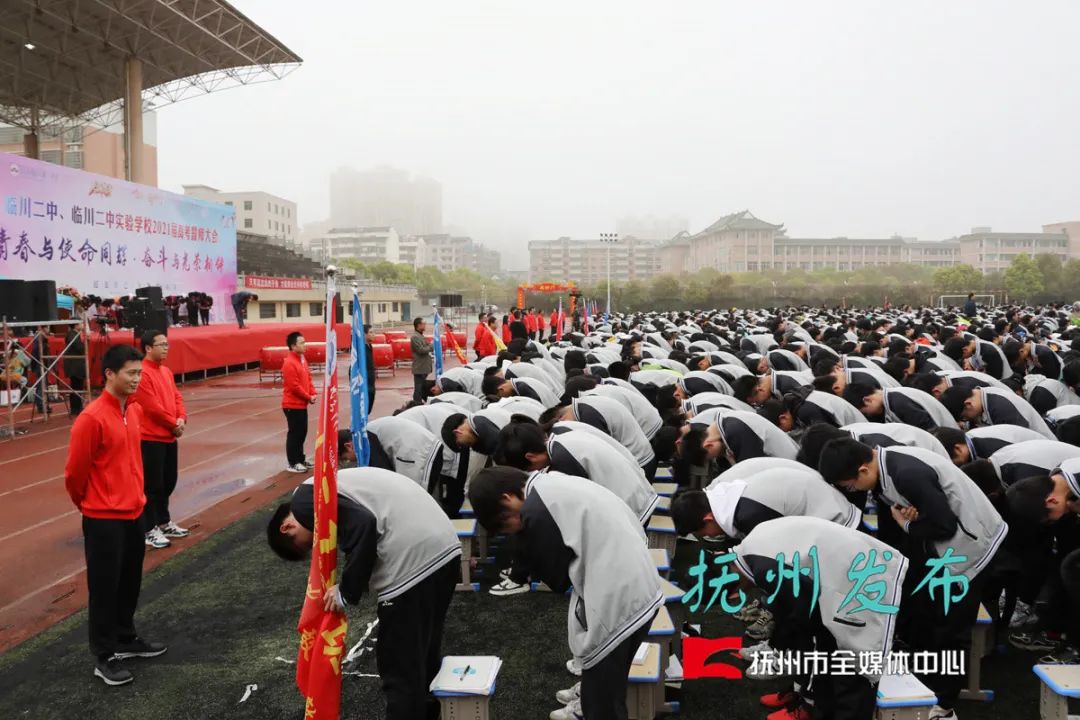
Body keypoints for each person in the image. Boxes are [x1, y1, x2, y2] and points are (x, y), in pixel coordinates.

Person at [818, 438, 1007, 718]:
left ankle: (944, 706)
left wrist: (909, 523)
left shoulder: (905, 473)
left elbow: (942, 526)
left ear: (862, 471)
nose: (851, 490)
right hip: (948, 543)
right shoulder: (884, 469)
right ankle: (925, 682)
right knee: (924, 611)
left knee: (951, 629)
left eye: (849, 485)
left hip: (973, 547)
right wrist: (915, 522)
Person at [469, 466, 662, 720]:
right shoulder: (552, 482)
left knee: (602, 700)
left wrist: (525, 545)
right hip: (639, 578)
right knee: (608, 674)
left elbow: (557, 580)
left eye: (505, 523)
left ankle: (592, 703)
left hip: (619, 597)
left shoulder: (536, 510)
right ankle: (590, 696)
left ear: (507, 498)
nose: (511, 529)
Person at [268, 467, 461, 720]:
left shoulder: (304, 501)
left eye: (307, 542)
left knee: (399, 664)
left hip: (413, 557)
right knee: (423, 650)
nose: (316, 541)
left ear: (287, 527)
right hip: (444, 548)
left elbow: (363, 525)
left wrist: (347, 590)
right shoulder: (324, 487)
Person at [64, 344, 166, 686]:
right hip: (103, 518)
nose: (138, 379)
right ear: (109, 374)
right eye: (131, 373)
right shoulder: (91, 418)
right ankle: (104, 655)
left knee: (129, 582)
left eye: (139, 372)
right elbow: (75, 475)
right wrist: (93, 505)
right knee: (104, 587)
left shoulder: (133, 411)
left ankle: (125, 637)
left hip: (134, 512)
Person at [132, 331, 189, 550]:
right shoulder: (142, 373)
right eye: (161, 344)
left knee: (168, 482)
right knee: (151, 486)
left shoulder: (165, 371)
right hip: (151, 438)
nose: (166, 348)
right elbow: (150, 406)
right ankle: (149, 528)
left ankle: (164, 521)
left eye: (167, 344)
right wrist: (173, 424)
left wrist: (181, 418)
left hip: (169, 435)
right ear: (148, 348)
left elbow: (176, 397)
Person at [282, 331, 315, 473]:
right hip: (292, 405)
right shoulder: (289, 363)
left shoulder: (302, 359)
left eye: (304, 342)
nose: (304, 345)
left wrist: (312, 393)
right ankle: (293, 462)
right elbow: (293, 386)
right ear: (293, 346)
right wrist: (308, 396)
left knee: (302, 432)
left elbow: (308, 378)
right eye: (301, 343)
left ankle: (300, 459)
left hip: (301, 404)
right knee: (295, 433)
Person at [64, 324, 87, 417]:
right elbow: (79, 348)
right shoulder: (72, 335)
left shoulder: (74, 334)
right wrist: (85, 342)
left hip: (75, 365)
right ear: (76, 325)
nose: (82, 325)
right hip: (74, 366)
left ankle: (76, 407)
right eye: (80, 323)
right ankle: (76, 408)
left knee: (76, 386)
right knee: (76, 386)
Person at [411, 317, 433, 403]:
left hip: (423, 367)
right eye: (423, 324)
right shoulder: (415, 337)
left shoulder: (420, 335)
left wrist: (430, 345)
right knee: (418, 388)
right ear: (418, 325)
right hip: (419, 367)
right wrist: (431, 346)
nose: (425, 325)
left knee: (421, 387)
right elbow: (421, 350)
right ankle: (416, 403)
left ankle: (418, 402)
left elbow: (426, 346)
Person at [362, 324, 376, 414]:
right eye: (371, 332)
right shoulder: (360, 350)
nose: (373, 334)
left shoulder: (369, 347)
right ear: (364, 334)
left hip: (371, 385)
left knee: (368, 411)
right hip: (364, 386)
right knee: (363, 411)